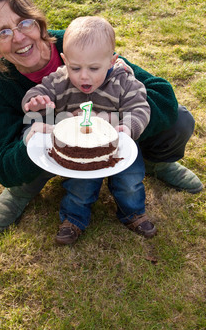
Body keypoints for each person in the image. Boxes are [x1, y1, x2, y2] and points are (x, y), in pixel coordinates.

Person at [0, 0, 203, 234]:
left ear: (38, 24)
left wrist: (108, 126)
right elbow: (1, 163)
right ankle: (24, 189)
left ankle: (158, 162)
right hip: (48, 146)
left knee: (180, 119)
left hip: (110, 130)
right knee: (29, 145)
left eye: (24, 23)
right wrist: (36, 139)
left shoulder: (79, 42)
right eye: (3, 32)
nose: (18, 37)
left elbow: (162, 96)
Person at [22, 16, 155, 244]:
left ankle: (132, 212)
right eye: (75, 67)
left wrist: (128, 127)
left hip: (117, 145)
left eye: (94, 68)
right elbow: (38, 91)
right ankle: (74, 219)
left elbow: (140, 107)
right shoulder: (58, 81)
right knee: (79, 185)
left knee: (130, 181)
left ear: (112, 61)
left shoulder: (123, 83)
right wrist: (36, 101)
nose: (84, 76)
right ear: (64, 60)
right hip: (79, 153)